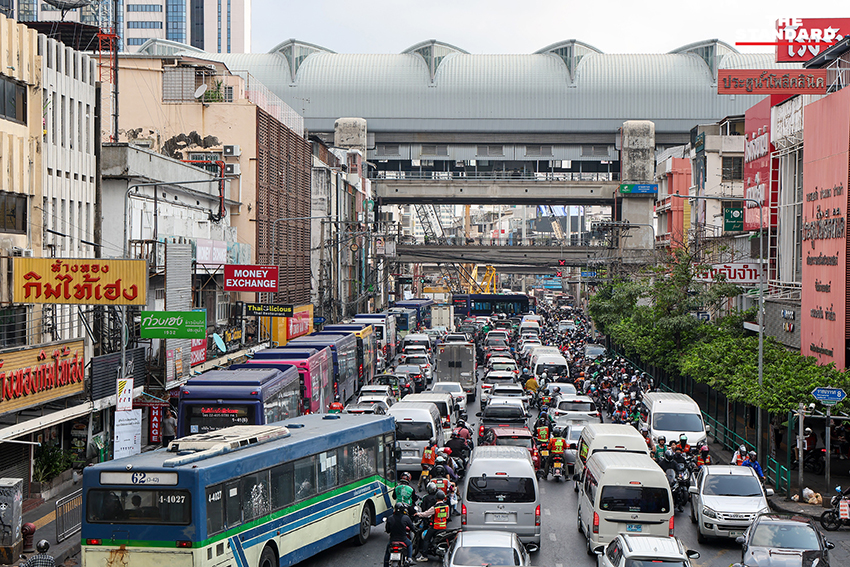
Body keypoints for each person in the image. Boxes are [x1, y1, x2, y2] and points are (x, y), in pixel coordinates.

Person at [415, 490, 449, 562]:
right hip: (444, 527)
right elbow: (447, 516)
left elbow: (426, 514)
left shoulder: (435, 507)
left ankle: (424, 556)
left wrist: (418, 514)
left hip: (435, 527)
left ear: (436, 498)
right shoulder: (447, 507)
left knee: (426, 539)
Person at [384, 502, 414, 567]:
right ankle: (409, 558)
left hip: (392, 540)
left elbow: (387, 530)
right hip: (403, 539)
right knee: (410, 544)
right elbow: (412, 527)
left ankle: (385, 565)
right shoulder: (406, 518)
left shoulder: (390, 518)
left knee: (387, 553)